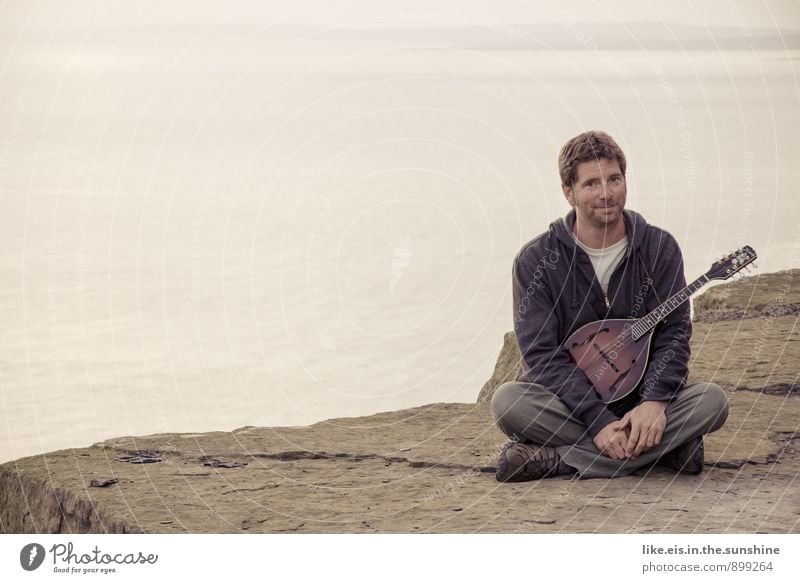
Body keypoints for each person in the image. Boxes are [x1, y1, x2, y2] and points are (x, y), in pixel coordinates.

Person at [491, 130, 729, 481]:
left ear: (624, 180)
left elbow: (675, 333)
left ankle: (560, 461)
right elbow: (541, 355)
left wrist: (655, 403)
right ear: (568, 192)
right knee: (508, 403)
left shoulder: (658, 247)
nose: (606, 194)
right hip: (570, 404)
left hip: (640, 398)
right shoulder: (536, 261)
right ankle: (660, 448)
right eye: (591, 184)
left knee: (713, 402)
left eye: (614, 179)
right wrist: (597, 419)